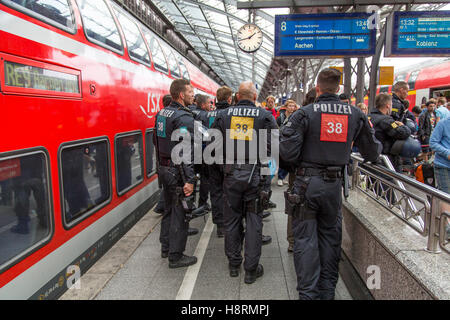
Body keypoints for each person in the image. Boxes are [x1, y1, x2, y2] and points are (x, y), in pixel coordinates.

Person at [280, 68, 382, 300]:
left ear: (317, 88)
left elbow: (287, 151)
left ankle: (307, 294)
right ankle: (327, 293)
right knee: (330, 238)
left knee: (305, 239)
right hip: (334, 187)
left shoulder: (304, 113)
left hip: (306, 185)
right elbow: (372, 151)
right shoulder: (355, 114)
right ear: (339, 89)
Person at [212, 81, 278, 283]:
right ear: (256, 98)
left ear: (237, 97)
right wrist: (266, 183)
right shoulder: (266, 117)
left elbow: (212, 149)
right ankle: (250, 270)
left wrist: (223, 171)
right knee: (253, 220)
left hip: (231, 176)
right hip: (255, 177)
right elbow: (273, 152)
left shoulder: (222, 116)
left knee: (231, 220)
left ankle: (234, 265)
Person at [154, 79, 198, 268]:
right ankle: (176, 256)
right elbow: (183, 152)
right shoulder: (184, 118)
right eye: (190, 92)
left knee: (169, 209)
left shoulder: (162, 113)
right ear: (181, 95)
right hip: (177, 171)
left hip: (164, 168)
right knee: (180, 213)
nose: (192, 94)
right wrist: (189, 179)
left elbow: (156, 141)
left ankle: (165, 246)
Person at [368, 93, 412, 172]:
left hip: (369, 157)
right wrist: (403, 126)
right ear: (388, 105)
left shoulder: (368, 117)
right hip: (385, 161)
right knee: (393, 182)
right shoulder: (386, 120)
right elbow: (402, 133)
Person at [277, 100, 297, 186]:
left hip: (290, 141)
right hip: (281, 140)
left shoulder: (296, 117)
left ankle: (283, 176)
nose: (292, 108)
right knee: (282, 159)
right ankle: (280, 177)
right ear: (286, 107)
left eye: (293, 106)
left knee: (288, 160)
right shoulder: (280, 118)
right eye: (290, 106)